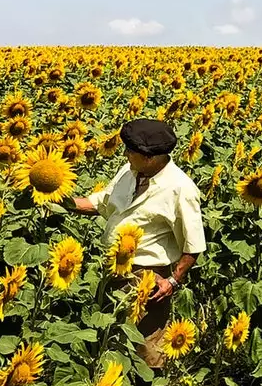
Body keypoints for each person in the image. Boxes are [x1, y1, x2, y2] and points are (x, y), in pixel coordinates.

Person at [60, 117, 205, 367]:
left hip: (147, 278)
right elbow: (102, 203)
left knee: (146, 348)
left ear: (149, 157)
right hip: (110, 270)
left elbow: (193, 246)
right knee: (107, 339)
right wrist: (59, 200)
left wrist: (172, 281)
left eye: (130, 150)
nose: (125, 154)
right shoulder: (130, 171)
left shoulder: (180, 189)